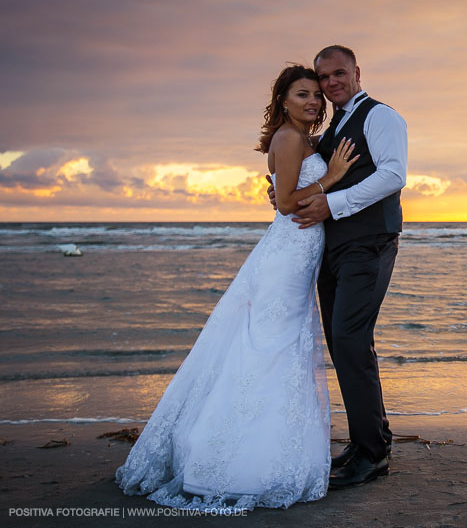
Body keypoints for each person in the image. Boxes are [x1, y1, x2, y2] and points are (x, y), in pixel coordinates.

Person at [117, 65, 359, 511]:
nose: (312, 101)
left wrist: (320, 178)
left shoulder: (304, 140)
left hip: (299, 255)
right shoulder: (288, 138)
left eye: (315, 96)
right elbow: (286, 202)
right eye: (301, 94)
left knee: (280, 346)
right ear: (282, 101)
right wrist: (334, 175)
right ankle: (235, 459)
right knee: (270, 346)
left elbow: (285, 194)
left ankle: (268, 448)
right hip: (286, 257)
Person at [278, 44, 407, 489]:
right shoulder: (336, 124)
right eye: (323, 77)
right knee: (343, 343)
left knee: (351, 342)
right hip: (334, 249)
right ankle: (367, 440)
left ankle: (373, 456)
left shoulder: (380, 116)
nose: (331, 83)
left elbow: (393, 175)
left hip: (368, 243)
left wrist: (333, 205)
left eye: (338, 74)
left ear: (356, 72)